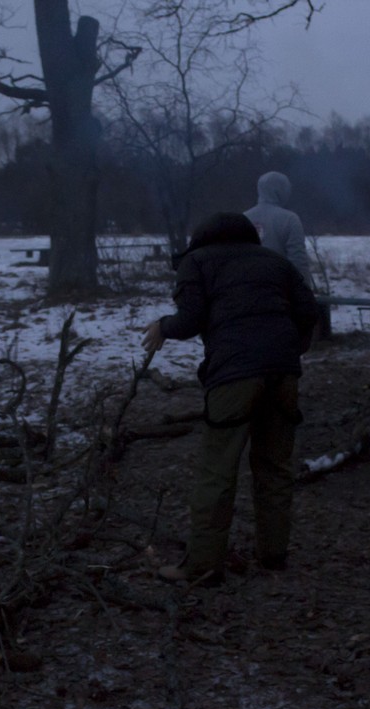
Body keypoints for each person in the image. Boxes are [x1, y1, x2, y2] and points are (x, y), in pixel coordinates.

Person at [142, 212, 320, 585]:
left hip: (234, 375)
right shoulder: (275, 261)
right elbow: (309, 311)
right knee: (275, 466)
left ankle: (203, 566)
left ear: (202, 237)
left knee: (217, 470)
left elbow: (190, 319)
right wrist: (290, 350)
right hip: (283, 373)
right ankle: (273, 554)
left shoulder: (197, 261)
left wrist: (162, 326)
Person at [243, 171, 313, 285]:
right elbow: (298, 260)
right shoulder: (290, 219)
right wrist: (304, 289)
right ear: (282, 191)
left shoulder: (244, 217)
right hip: (279, 287)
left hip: (247, 286)